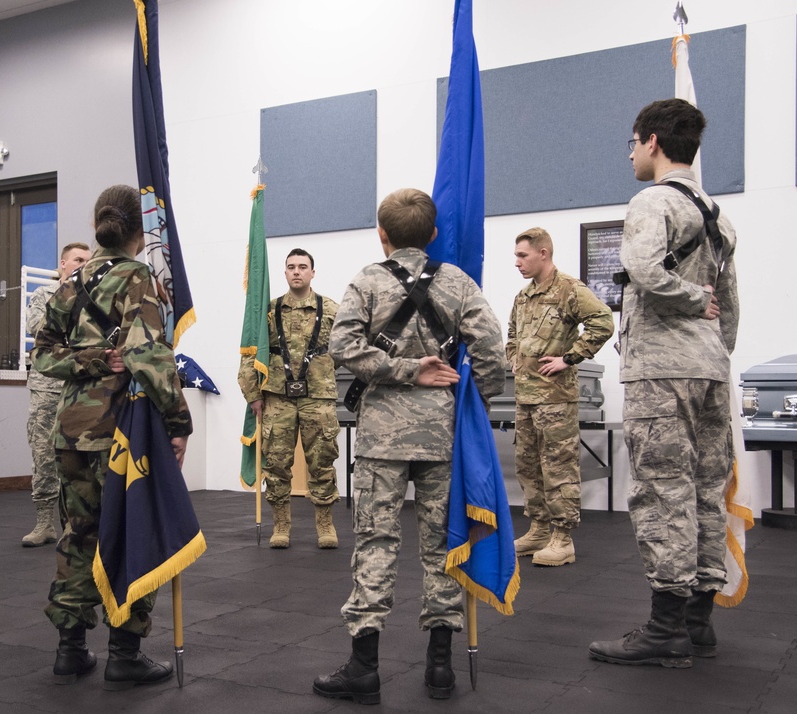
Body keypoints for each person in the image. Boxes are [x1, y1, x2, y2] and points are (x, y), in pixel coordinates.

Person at [313, 188, 505, 703]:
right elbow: (492, 350)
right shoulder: (458, 282)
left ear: (382, 234)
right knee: (443, 546)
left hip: (381, 438)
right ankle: (439, 668)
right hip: (444, 436)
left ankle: (364, 667)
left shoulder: (367, 281)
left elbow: (342, 347)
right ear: (435, 234)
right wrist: (471, 402)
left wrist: (399, 371)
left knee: (376, 542)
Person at [589, 98, 739, 668]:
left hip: (663, 368)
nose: (630, 154)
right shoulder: (718, 213)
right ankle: (699, 621)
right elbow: (731, 303)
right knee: (704, 487)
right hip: (709, 366)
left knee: (661, 488)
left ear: (652, 141)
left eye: (632, 143)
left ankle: (665, 628)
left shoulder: (651, 201)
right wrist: (716, 345)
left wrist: (690, 297)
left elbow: (647, 271)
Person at [32, 184, 191, 688]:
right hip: (123, 430)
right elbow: (148, 356)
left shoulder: (72, 281)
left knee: (78, 536)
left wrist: (89, 359)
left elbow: (43, 356)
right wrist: (178, 421)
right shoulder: (137, 277)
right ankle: (124, 650)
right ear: (139, 232)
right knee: (130, 531)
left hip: (71, 431)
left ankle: (70, 649)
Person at [507, 228, 613, 566]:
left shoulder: (569, 289)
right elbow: (512, 332)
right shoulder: (524, 296)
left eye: (523, 255)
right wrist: (513, 357)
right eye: (516, 256)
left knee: (559, 468)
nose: (517, 262)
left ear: (543, 253)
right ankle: (538, 528)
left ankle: (562, 537)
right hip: (525, 397)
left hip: (555, 399)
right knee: (528, 466)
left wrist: (569, 358)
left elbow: (602, 322)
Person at [237, 249, 341, 549]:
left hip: (317, 397)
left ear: (312, 272)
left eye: (303, 267)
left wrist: (323, 370)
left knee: (322, 461)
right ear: (284, 273)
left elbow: (348, 349)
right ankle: (281, 525)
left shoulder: (332, 309)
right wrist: (253, 394)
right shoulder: (267, 312)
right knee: (277, 463)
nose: (297, 271)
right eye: (291, 267)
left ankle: (325, 524)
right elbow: (251, 354)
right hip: (277, 398)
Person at [22, 242, 91, 547]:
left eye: (87, 261)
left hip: (79, 388)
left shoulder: (93, 299)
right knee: (43, 454)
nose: (82, 265)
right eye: (77, 260)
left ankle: (72, 523)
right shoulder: (44, 295)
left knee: (77, 457)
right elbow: (38, 329)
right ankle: (43, 522)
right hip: (47, 387)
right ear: (63, 264)